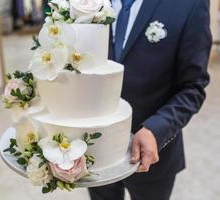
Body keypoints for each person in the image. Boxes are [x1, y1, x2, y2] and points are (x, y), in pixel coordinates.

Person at [88, 0, 212, 199]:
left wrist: (156, 129)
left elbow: (193, 86)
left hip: (153, 157)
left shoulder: (190, 5)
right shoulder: (85, 3)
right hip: (95, 150)